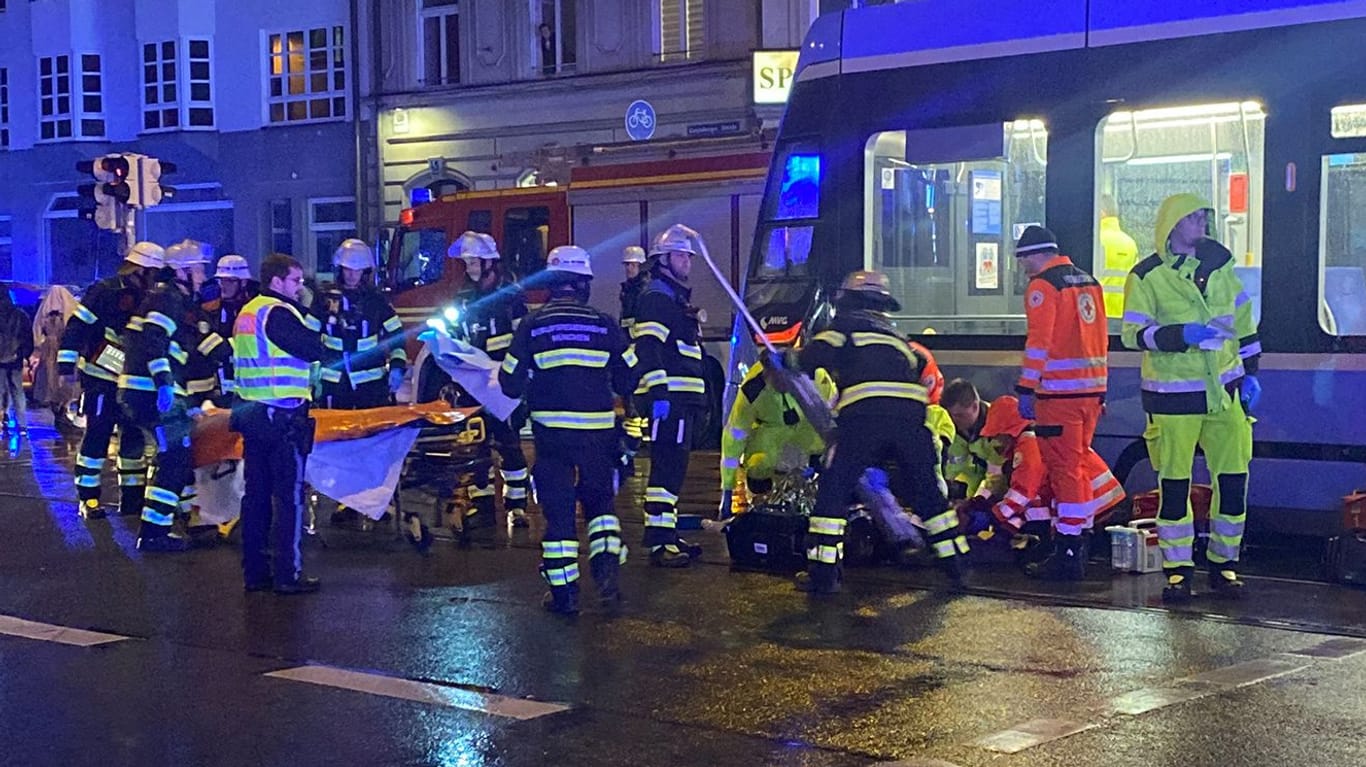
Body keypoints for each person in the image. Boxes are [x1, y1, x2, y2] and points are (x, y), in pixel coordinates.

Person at [789, 270, 966, 593]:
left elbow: (815, 356)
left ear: (849, 300)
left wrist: (791, 359)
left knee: (834, 490)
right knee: (929, 496)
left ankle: (823, 574)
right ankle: (955, 565)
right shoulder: (898, 339)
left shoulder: (843, 327)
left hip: (864, 421)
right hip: (913, 424)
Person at [1122, 194, 1260, 602]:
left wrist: (1252, 374)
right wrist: (1177, 336)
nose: (1202, 222)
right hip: (1174, 396)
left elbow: (1243, 321)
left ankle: (1224, 564)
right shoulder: (1146, 276)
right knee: (1175, 487)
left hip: (1225, 391)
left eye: (1204, 216)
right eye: (1193, 217)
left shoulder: (1221, 267)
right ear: (1172, 226)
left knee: (1234, 481)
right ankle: (1179, 570)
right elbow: (1133, 334)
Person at [499, 245, 632, 614]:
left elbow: (509, 383)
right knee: (601, 508)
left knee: (558, 515)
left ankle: (565, 595)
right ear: (584, 284)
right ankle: (607, 579)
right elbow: (629, 376)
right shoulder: (604, 323)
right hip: (598, 437)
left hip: (552, 438)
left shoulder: (533, 325)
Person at [1014, 225, 1111, 580]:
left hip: (1058, 396)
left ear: (1036, 254)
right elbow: (1100, 339)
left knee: (1064, 470)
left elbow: (1039, 342)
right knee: (1080, 466)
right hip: (1091, 394)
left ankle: (1068, 551)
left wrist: (1026, 387)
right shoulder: (1089, 282)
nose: (1023, 266)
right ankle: (1078, 536)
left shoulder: (1043, 286)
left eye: (1023, 258)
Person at [230, 254, 328, 594]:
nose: (300, 288)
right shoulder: (280, 313)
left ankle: (255, 573)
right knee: (289, 499)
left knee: (256, 497)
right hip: (281, 416)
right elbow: (314, 348)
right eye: (295, 281)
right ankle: (289, 574)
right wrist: (316, 312)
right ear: (276, 282)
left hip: (252, 414)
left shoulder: (249, 311)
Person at [119, 240, 222, 551]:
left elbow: (188, 351)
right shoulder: (167, 299)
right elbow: (154, 340)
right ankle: (154, 533)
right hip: (149, 392)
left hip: (154, 392)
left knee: (180, 455)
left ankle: (184, 523)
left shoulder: (177, 301)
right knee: (175, 457)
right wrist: (164, 382)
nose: (203, 275)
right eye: (199, 269)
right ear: (182, 271)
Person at [58, 242, 163, 519]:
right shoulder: (104, 291)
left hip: (130, 382)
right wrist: (66, 364)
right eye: (152, 273)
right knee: (97, 436)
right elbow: (78, 326)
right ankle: (89, 499)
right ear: (139, 270)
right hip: (100, 379)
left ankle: (132, 499)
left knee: (132, 440)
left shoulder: (150, 297)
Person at [626, 224, 710, 567]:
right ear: (663, 259)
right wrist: (659, 392)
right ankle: (660, 543)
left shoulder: (673, 297)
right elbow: (648, 347)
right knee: (666, 468)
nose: (687, 262)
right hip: (670, 399)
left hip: (682, 399)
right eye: (681, 255)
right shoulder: (658, 297)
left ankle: (667, 533)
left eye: (689, 256)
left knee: (674, 469)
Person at [449, 231, 532, 538]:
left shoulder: (510, 296)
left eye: (474, 261)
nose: (469, 267)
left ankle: (517, 504)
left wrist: (520, 380)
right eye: (467, 262)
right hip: (474, 385)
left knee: (508, 442)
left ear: (489, 263)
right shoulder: (463, 297)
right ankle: (481, 499)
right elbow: (458, 336)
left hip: (503, 383)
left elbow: (523, 340)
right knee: (476, 442)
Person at [972, 395, 1123, 546]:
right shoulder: (1034, 439)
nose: (996, 442)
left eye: (997, 435)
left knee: (1074, 547)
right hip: (1098, 499)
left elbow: (1023, 492)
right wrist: (1009, 525)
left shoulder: (1028, 445)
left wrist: (996, 515)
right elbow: (1034, 502)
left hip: (1094, 501)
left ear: (1008, 431)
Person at [719, 351, 835, 517]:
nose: (780, 382)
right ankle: (766, 501)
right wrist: (727, 491)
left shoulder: (817, 377)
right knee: (758, 466)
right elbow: (734, 439)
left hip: (810, 436)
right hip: (772, 439)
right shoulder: (752, 390)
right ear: (766, 373)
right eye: (774, 377)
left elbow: (832, 419)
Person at [313, 239, 406, 410]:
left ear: (365, 272)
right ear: (340, 269)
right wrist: (311, 374)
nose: (352, 275)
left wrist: (397, 367)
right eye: (348, 269)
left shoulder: (376, 301)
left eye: (357, 271)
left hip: (371, 386)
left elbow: (397, 337)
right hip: (334, 384)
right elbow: (308, 337)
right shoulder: (323, 300)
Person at [201, 254, 259, 403]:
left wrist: (227, 345)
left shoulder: (256, 309)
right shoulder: (211, 308)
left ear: (243, 282)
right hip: (220, 386)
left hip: (251, 387)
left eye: (229, 281)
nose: (223, 286)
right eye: (220, 280)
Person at [941, 379, 1006, 501]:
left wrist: (979, 501)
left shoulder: (999, 427)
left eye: (960, 415)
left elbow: (996, 475)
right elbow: (953, 467)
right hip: (975, 489)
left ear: (975, 406)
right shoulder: (955, 430)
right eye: (950, 416)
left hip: (1004, 491)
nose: (954, 421)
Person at [618, 245, 651, 475]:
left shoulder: (643, 289)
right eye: (627, 265)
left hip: (640, 349)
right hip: (631, 349)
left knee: (640, 395)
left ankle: (642, 439)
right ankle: (637, 438)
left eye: (632, 264)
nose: (629, 268)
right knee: (631, 396)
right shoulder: (629, 289)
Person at [1098, 194, 1140, 319]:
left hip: (1099, 310)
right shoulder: (1130, 243)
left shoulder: (1096, 240)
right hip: (1125, 311)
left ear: (1101, 213)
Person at [0, 288, 34, 436]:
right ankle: (22, 424)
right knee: (17, 390)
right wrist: (23, 354)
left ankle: (3, 418)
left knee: (1, 390)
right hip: (16, 359)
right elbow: (28, 338)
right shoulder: (21, 315)